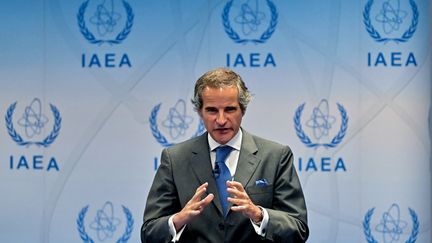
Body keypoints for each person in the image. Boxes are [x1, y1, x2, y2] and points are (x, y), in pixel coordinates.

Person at [141, 68, 309, 242]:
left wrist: (259, 215)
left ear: (243, 110)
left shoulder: (275, 156)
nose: (221, 120)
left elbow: (298, 229)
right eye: (212, 110)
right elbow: (149, 232)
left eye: (229, 109)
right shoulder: (175, 159)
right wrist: (178, 220)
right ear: (200, 111)